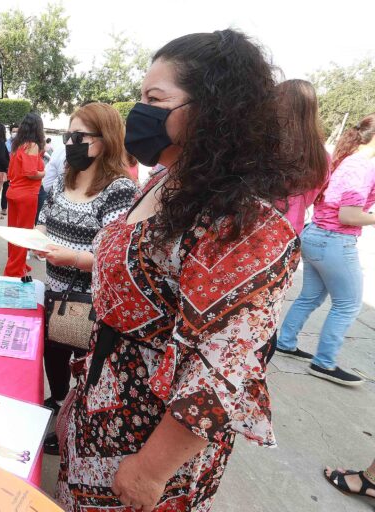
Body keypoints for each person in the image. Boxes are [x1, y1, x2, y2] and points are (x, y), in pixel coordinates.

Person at [56, 30, 302, 512]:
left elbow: (223, 371)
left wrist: (151, 471)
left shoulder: (242, 225)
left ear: (212, 110)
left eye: (155, 99)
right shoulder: (166, 180)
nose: (139, 112)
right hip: (102, 400)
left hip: (150, 438)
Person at [34, 102, 138, 455]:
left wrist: (75, 258)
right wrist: (36, 237)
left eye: (79, 136)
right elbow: (44, 217)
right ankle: (59, 407)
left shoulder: (119, 190)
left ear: (105, 139)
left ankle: (74, 427)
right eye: (68, 135)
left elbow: (118, 258)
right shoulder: (67, 176)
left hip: (88, 304)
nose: (71, 143)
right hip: (53, 294)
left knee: (83, 368)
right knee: (54, 358)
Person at [276, 113, 375, 386]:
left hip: (316, 235)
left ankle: (285, 342)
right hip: (335, 240)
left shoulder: (348, 160)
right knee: (347, 305)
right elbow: (350, 215)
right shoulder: (362, 167)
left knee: (310, 297)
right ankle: (324, 362)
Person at [274, 79, 330, 235]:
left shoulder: (262, 145)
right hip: (287, 236)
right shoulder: (321, 158)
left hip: (248, 235)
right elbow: (309, 199)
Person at [3, 113, 45, 277]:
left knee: (14, 232)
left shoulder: (17, 145)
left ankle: (15, 263)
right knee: (24, 234)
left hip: (13, 192)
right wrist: (44, 173)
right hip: (26, 195)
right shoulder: (32, 146)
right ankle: (15, 270)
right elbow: (31, 173)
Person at [1, 124, 19, 215]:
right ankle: (4, 207)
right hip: (8, 168)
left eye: (17, 131)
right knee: (6, 188)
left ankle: (15, 208)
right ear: (10, 132)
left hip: (18, 170)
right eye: (13, 131)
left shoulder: (22, 144)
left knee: (17, 189)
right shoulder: (6, 143)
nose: (15, 133)